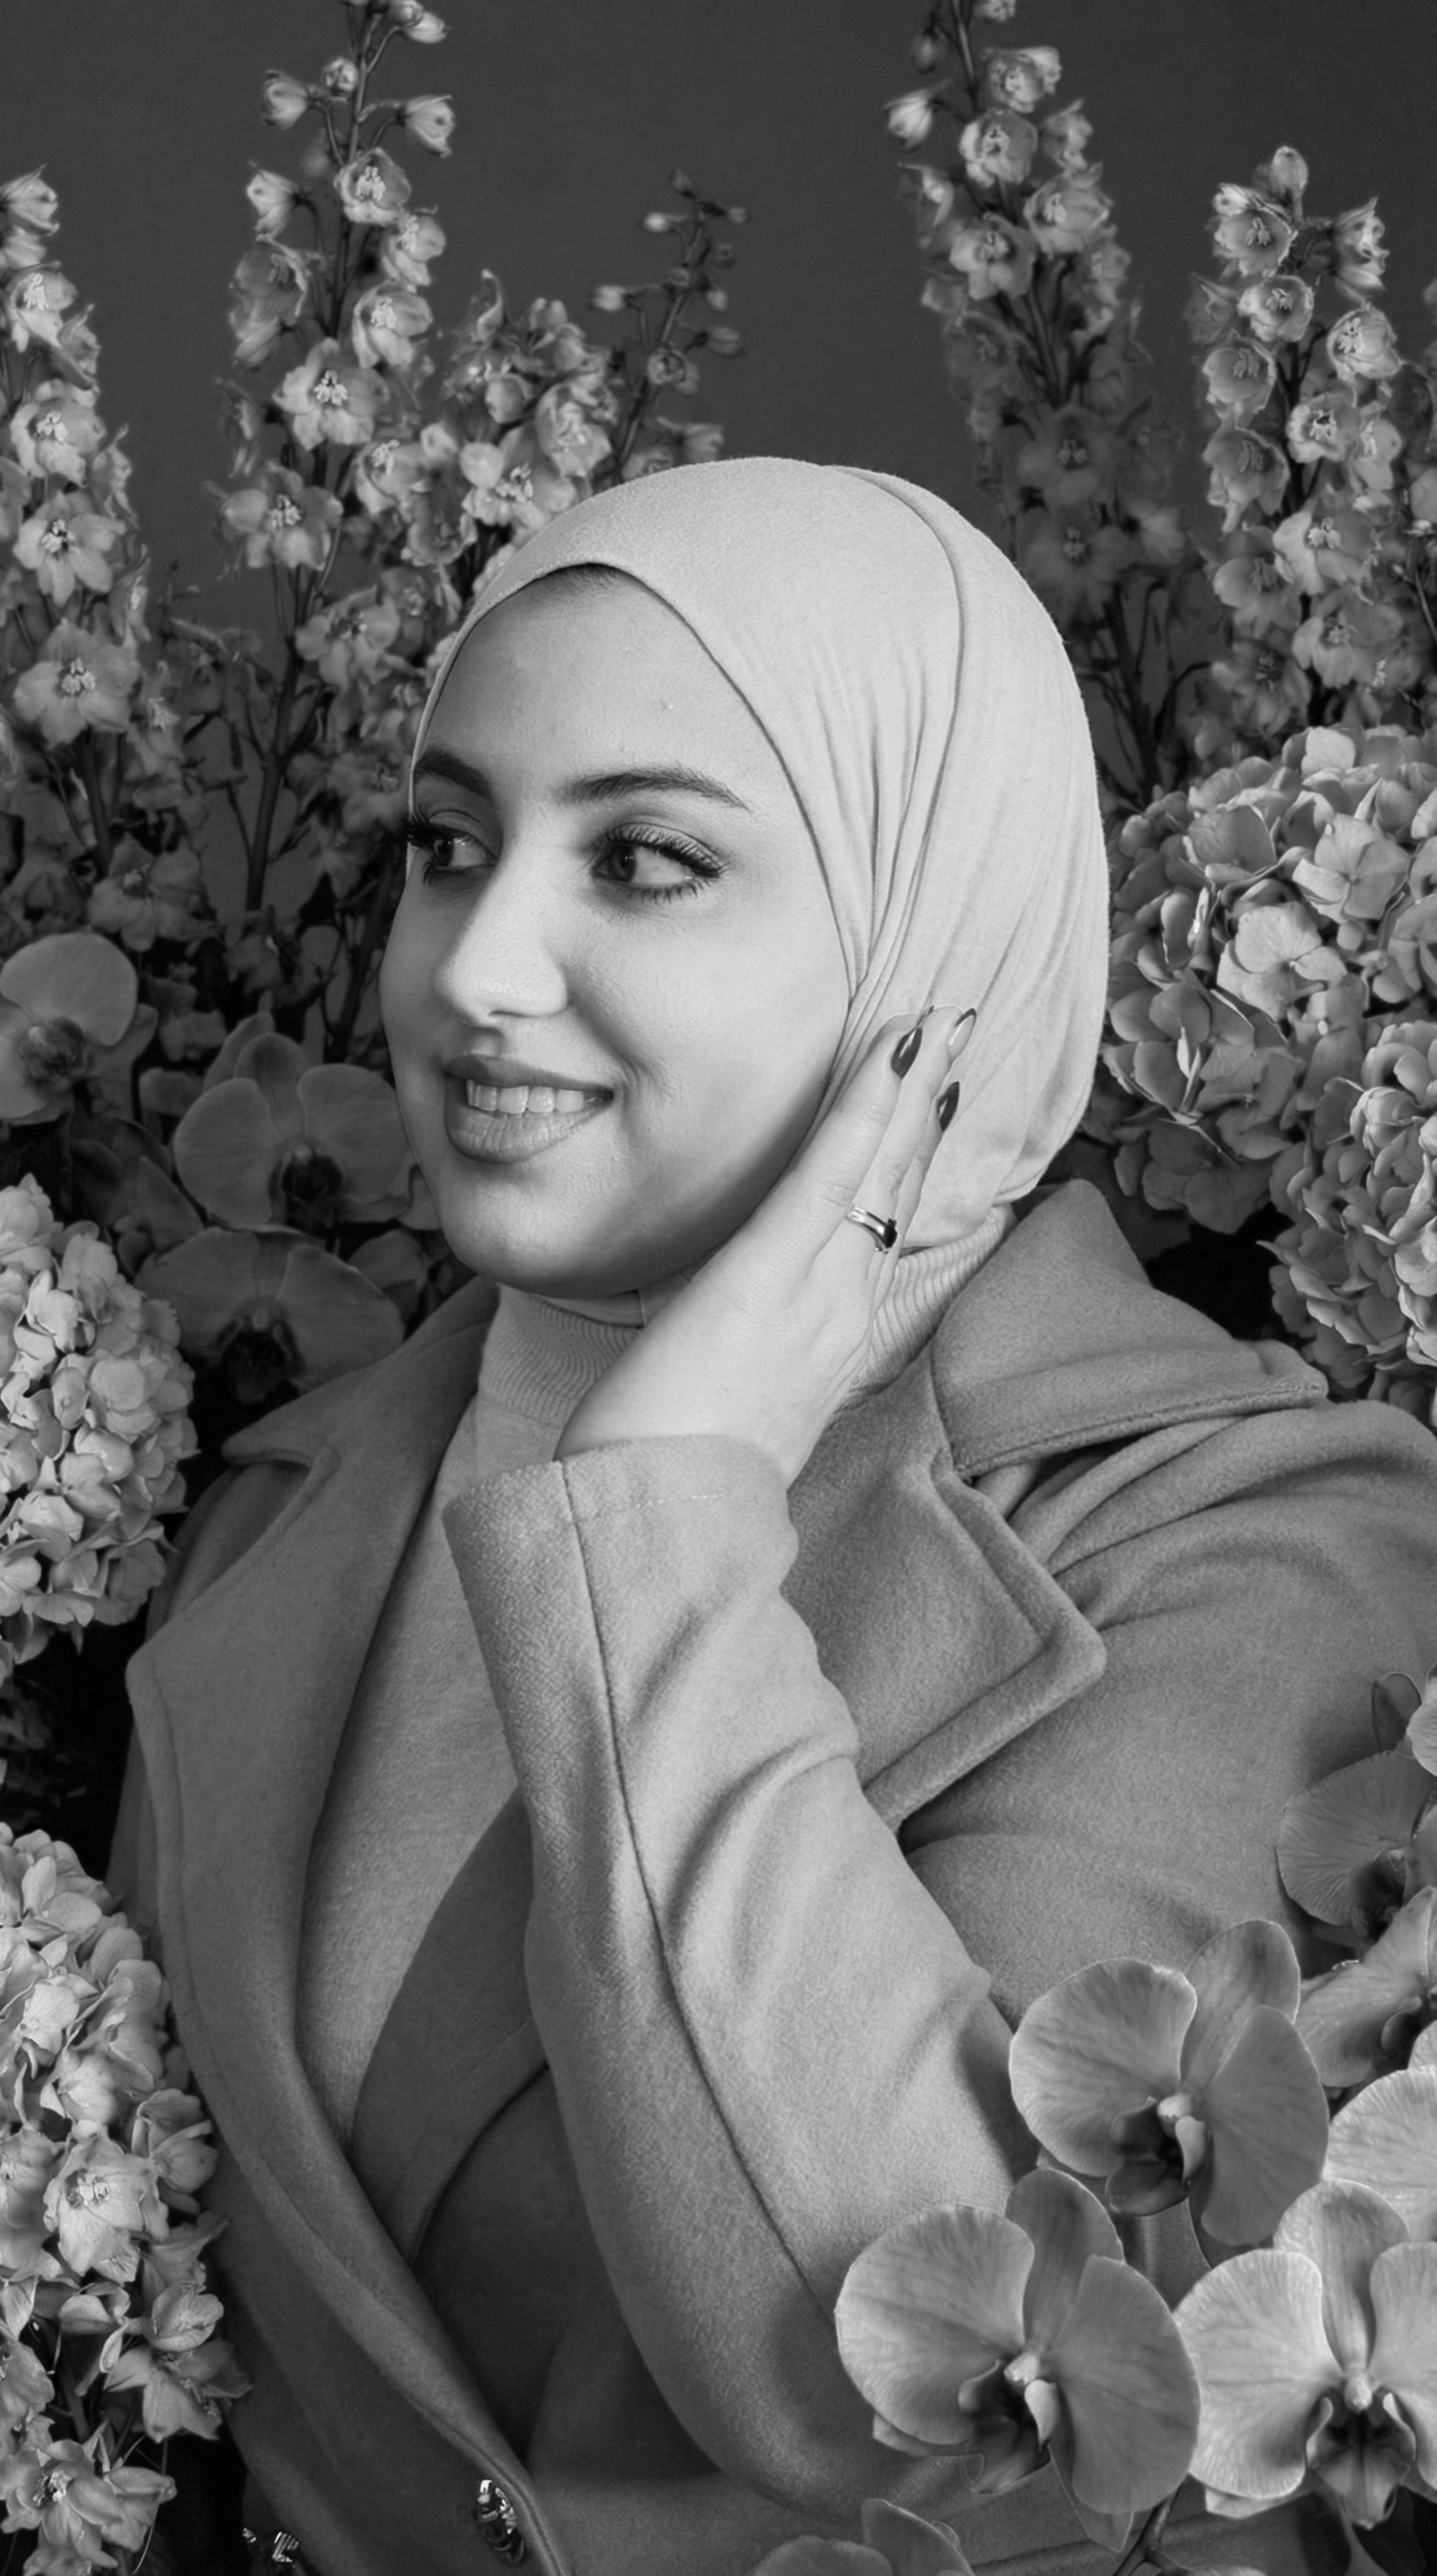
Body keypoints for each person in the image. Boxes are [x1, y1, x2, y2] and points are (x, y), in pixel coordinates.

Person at [112, 459, 1437, 2576]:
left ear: (938, 949)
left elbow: (907, 2412)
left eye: (642, 858)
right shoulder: (285, 1499)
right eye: (447, 847)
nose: (475, 970)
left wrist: (662, 1497)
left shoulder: (1240, 1534)